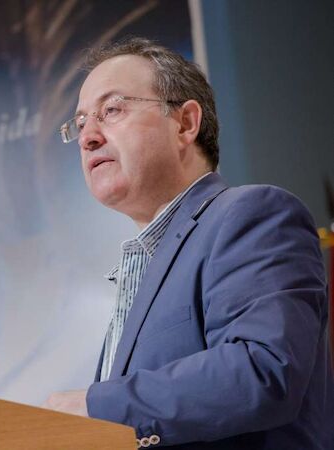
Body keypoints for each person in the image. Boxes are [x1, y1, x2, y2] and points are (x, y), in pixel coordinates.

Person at [43, 37, 334, 449]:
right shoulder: (146, 265)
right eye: (80, 122)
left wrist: (96, 406)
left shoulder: (253, 215)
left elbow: (264, 368)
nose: (88, 137)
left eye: (112, 110)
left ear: (184, 124)